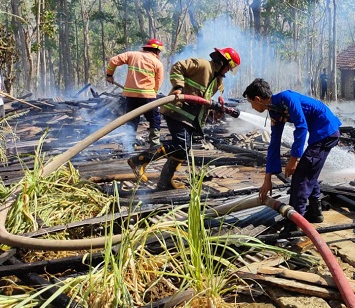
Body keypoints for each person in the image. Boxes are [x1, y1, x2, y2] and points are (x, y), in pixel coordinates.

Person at [128, 47, 241, 191]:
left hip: (189, 118)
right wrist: (179, 87)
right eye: (228, 68)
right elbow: (178, 67)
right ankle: (138, 161)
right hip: (177, 110)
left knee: (183, 150)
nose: (227, 72)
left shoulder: (217, 80)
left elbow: (203, 100)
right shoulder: (203, 65)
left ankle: (165, 182)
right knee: (181, 145)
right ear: (223, 62)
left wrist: (215, 112)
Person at [244, 78, 341, 235]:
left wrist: (294, 159)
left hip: (326, 131)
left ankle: (293, 227)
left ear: (257, 99)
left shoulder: (287, 99)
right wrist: (267, 179)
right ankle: (315, 212)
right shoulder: (274, 111)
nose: (252, 107)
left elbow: (301, 127)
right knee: (308, 171)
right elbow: (274, 142)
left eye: (251, 103)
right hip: (319, 134)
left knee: (301, 177)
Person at [106, 39, 166, 147]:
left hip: (130, 96)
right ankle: (155, 144)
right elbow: (158, 81)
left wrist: (109, 75)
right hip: (148, 96)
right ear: (157, 51)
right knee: (154, 120)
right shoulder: (157, 63)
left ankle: (129, 145)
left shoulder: (132, 55)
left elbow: (113, 61)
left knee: (131, 120)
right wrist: (154, 92)